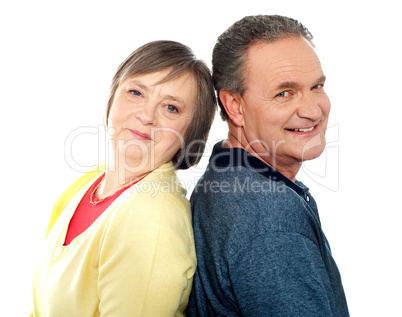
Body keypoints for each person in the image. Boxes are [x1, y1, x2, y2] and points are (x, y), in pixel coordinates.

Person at [30, 40, 216, 317]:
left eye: (171, 108)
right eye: (136, 92)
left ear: (191, 133)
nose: (146, 116)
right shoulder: (89, 183)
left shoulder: (153, 215)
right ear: (113, 95)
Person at [188, 15, 349, 316]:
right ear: (234, 105)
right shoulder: (270, 217)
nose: (313, 110)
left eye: (316, 86)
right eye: (284, 93)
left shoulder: (225, 173)